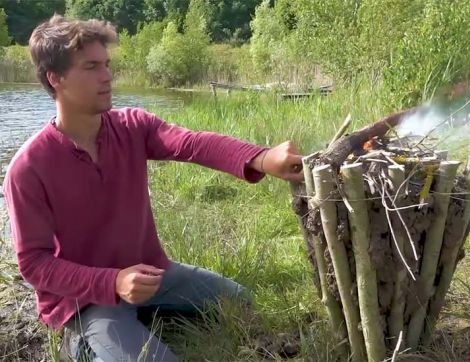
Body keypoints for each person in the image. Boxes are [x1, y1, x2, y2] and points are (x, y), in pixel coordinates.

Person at [2, 15, 304, 362]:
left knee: (240, 302)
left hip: (152, 274)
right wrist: (113, 282)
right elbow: (35, 264)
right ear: (55, 79)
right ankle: (85, 343)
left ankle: (144, 319)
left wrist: (262, 158)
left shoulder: (132, 126)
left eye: (107, 64)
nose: (107, 76)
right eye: (91, 67)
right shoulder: (28, 168)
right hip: (85, 301)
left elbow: (192, 144)